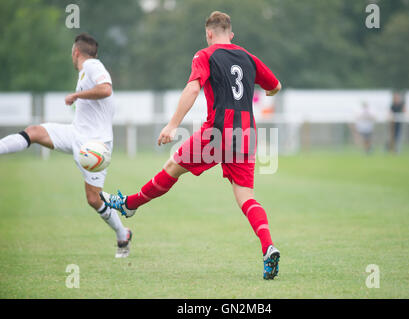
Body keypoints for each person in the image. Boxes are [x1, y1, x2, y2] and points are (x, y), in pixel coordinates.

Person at [101, 11, 282, 279]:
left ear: (209, 33)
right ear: (230, 34)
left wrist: (173, 125)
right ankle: (269, 247)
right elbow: (276, 86)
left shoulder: (204, 55)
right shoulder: (248, 58)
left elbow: (193, 89)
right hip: (246, 134)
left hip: (218, 131)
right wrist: (265, 91)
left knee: (173, 165)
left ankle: (130, 204)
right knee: (246, 197)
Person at [0, 33, 132, 258]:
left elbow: (106, 88)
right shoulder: (85, 72)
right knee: (34, 132)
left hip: (95, 146)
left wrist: (76, 95)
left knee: (93, 199)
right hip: (75, 133)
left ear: (76, 52)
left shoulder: (92, 65)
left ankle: (123, 234)